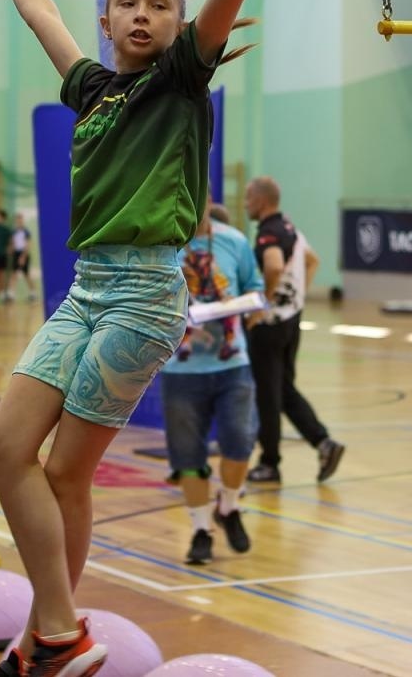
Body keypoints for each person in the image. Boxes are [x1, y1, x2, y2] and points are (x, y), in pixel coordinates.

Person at [0, 0, 330, 677]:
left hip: (140, 298)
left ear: (178, 24)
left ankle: (54, 638)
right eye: (126, 2)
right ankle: (51, 634)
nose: (141, 13)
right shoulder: (92, 88)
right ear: (108, 20)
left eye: (158, 4)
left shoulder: (179, 83)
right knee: (3, 448)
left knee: (66, 471)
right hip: (84, 291)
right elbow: (42, 19)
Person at [165, 205, 262, 566]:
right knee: (188, 453)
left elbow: (255, 286)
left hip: (232, 363)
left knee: (240, 439)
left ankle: (229, 505)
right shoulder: (161, 247)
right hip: (181, 369)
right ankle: (201, 530)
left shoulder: (234, 242)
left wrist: (252, 308)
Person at [243, 175, 344, 485]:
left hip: (270, 326)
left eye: (248, 199)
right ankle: (324, 443)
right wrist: (295, 298)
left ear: (261, 201)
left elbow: (272, 266)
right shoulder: (290, 229)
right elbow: (312, 261)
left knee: (267, 395)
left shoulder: (268, 234)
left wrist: (263, 304)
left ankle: (270, 463)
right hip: (291, 321)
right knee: (284, 390)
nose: (246, 204)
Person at [10, 213, 36, 301]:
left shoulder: (26, 232)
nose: (19, 221)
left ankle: (33, 293)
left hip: (23, 254)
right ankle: (11, 294)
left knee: (26, 274)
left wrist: (23, 256)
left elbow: (27, 244)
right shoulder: (14, 232)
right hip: (16, 254)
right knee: (14, 273)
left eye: (20, 219)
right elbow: (13, 243)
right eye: (17, 220)